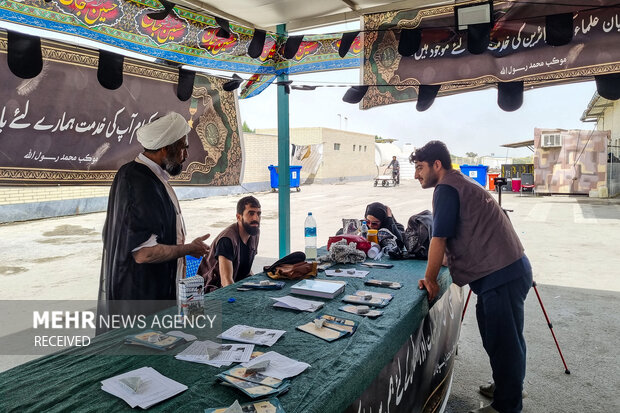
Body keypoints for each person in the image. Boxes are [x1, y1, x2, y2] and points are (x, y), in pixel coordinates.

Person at [412, 141, 532, 413]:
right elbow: (460, 233)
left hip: (501, 275)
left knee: (504, 343)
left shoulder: (446, 188)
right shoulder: (459, 182)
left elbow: (439, 237)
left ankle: (506, 405)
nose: (416, 175)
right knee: (500, 338)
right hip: (505, 272)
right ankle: (508, 386)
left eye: (420, 168)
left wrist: (430, 279)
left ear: (437, 165)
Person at [97, 112, 211, 327]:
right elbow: (144, 253)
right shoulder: (138, 182)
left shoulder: (150, 177)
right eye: (183, 147)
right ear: (166, 148)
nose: (186, 155)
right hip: (141, 302)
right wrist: (187, 249)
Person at [199, 196, 261, 292]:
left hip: (237, 287)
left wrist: (260, 286)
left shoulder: (254, 233)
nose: (256, 218)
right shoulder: (227, 240)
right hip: (213, 292)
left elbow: (246, 270)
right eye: (251, 213)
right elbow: (226, 282)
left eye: (258, 214)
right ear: (238, 217)